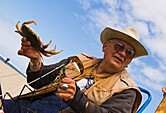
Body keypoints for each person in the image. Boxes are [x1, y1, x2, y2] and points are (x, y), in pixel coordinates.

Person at [1, 26, 148, 113]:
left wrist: (76, 99)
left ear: (129, 61)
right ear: (105, 47)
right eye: (119, 47)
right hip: (27, 105)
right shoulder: (80, 59)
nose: (123, 53)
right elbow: (37, 81)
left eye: (129, 53)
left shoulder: (128, 90)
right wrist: (36, 61)